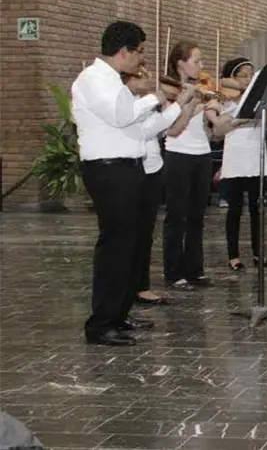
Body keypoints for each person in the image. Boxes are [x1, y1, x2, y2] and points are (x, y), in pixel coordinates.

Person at [71, 21, 195, 346]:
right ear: (124, 51)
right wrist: (155, 95)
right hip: (108, 171)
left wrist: (179, 105)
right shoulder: (94, 79)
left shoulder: (116, 83)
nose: (142, 60)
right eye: (139, 52)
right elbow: (120, 116)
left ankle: (120, 314)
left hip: (131, 168)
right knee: (116, 247)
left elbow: (142, 129)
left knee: (135, 247)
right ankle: (100, 324)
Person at [210, 57, 267, 271]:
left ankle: (259, 253)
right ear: (232, 77)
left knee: (256, 209)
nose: (249, 79)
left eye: (252, 75)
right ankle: (233, 255)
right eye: (244, 75)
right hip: (235, 158)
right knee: (234, 210)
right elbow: (217, 131)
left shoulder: (261, 102)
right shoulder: (227, 100)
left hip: (256, 157)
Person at [124, 70, 198, 308]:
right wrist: (177, 103)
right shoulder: (131, 105)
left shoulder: (144, 103)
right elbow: (146, 131)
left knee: (146, 233)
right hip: (136, 170)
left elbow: (161, 128)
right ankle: (130, 288)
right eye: (140, 74)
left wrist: (178, 105)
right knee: (132, 234)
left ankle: (141, 285)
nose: (148, 77)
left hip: (153, 167)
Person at [162, 41, 224, 290]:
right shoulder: (168, 90)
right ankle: (174, 271)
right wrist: (193, 104)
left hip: (201, 153)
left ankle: (195, 269)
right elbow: (174, 129)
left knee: (197, 215)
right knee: (177, 215)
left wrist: (214, 109)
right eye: (196, 61)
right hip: (178, 154)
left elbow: (215, 126)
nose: (201, 65)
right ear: (180, 64)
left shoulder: (200, 88)